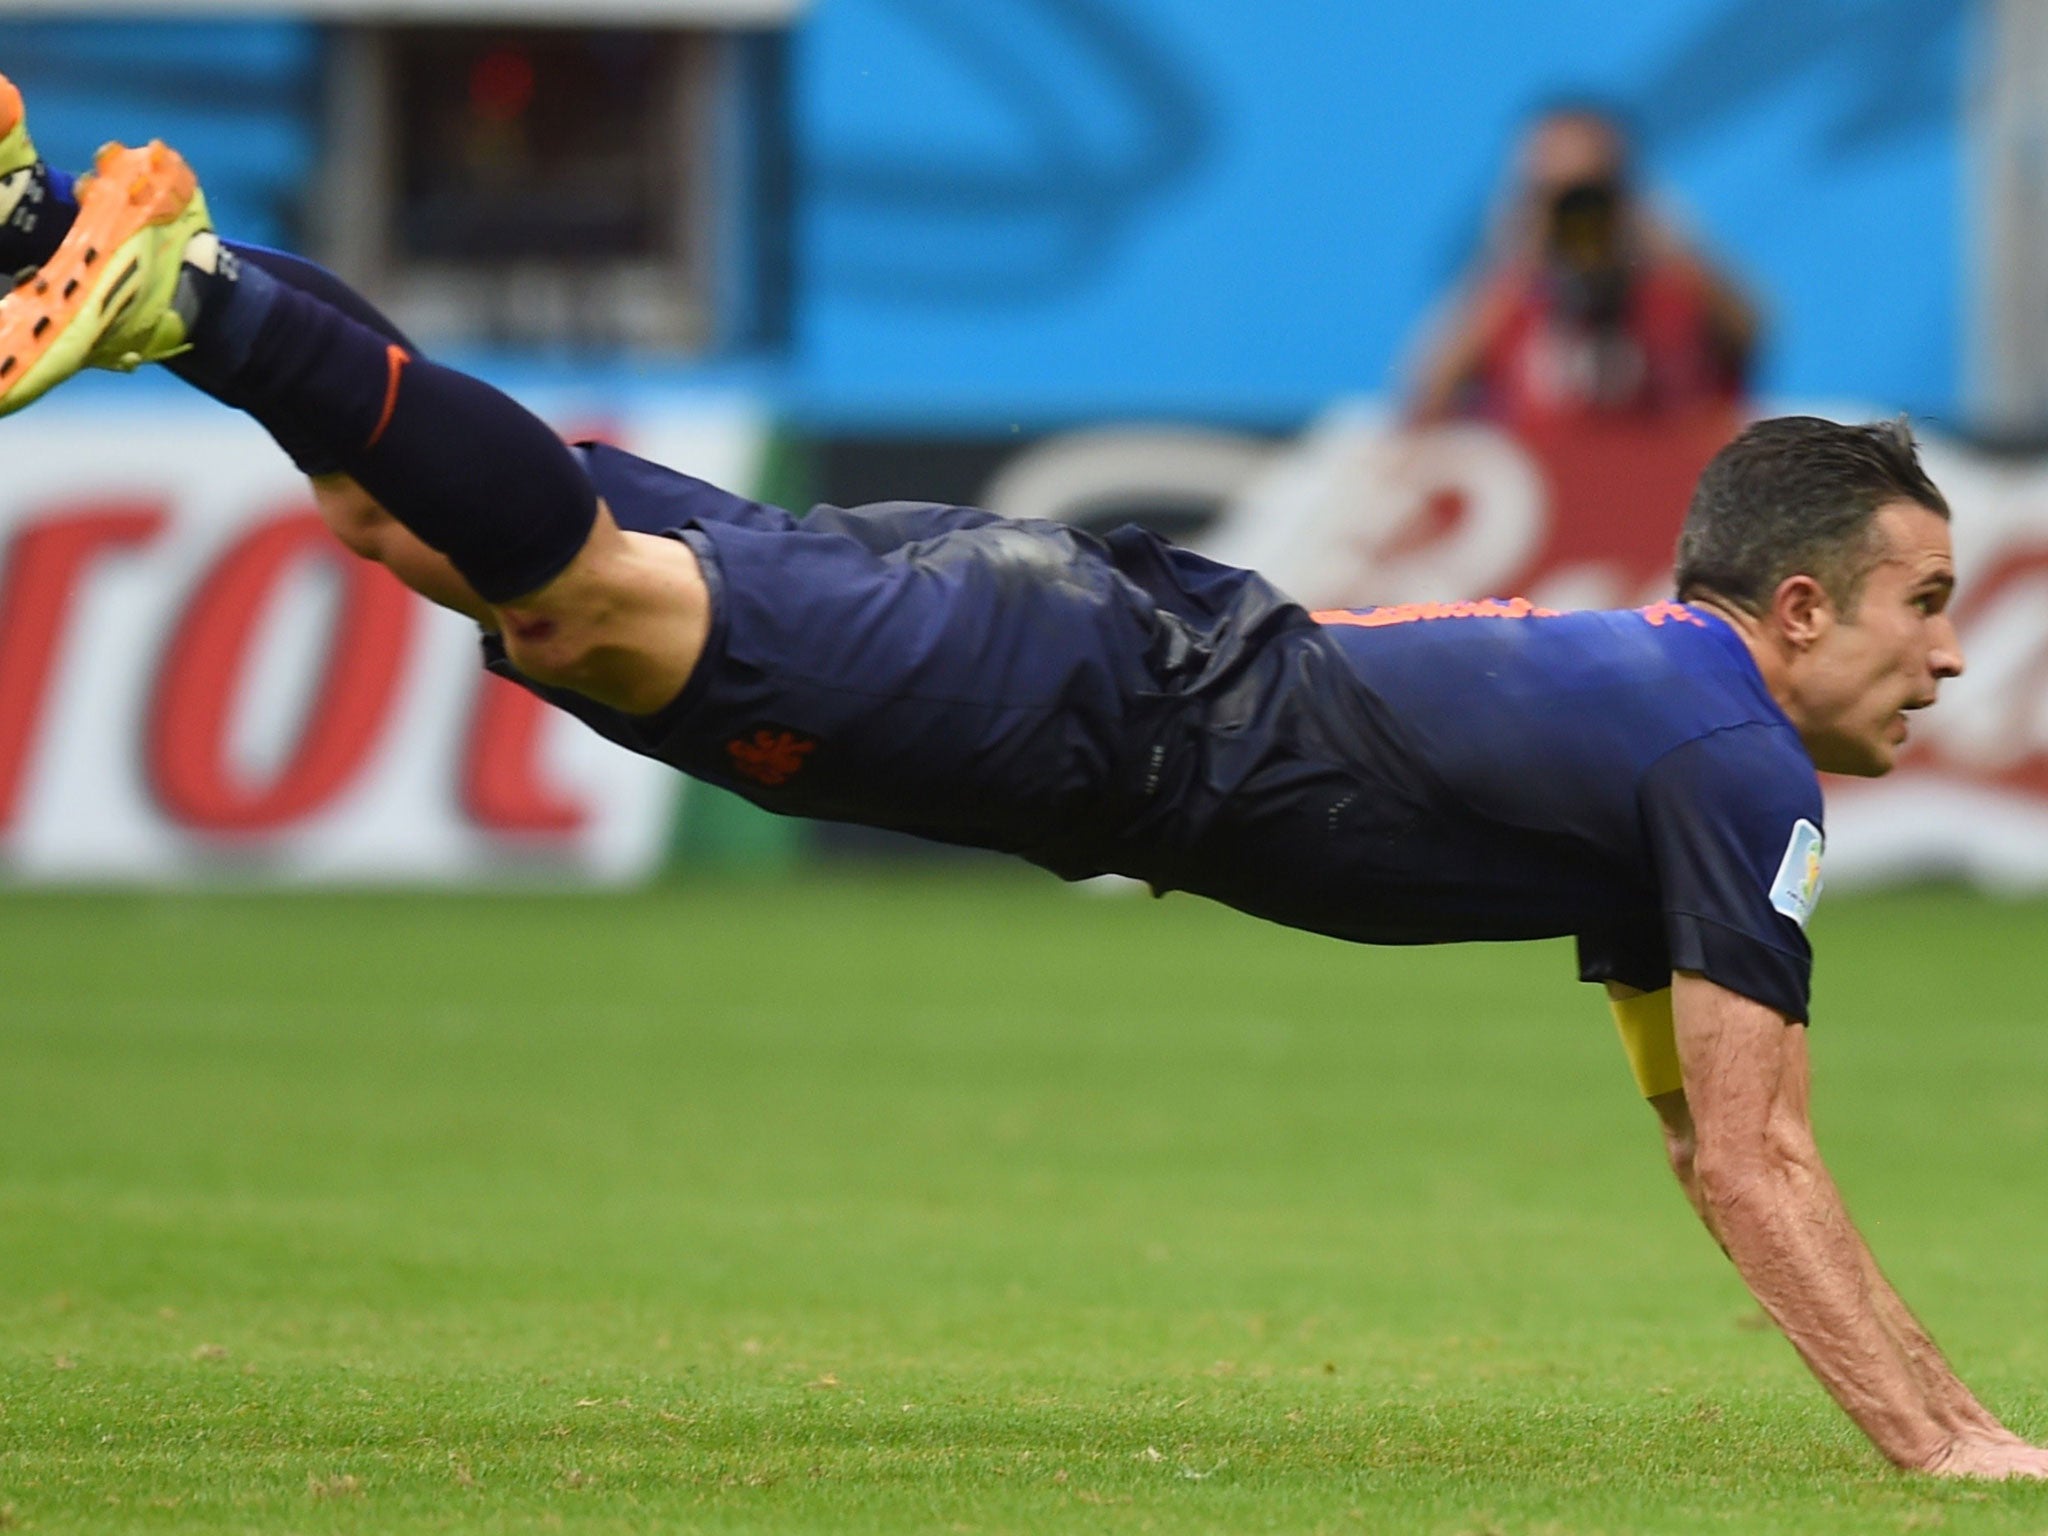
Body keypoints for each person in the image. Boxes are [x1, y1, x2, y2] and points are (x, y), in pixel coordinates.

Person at [0, 94, 2037, 1478]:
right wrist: (1945, 1436)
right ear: (1790, 607)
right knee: (581, 603)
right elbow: (1763, 1159)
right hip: (1079, 706)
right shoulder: (1731, 762)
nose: (1948, 651)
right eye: (1919, 604)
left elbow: (1705, 1139)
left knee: (443, 538)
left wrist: (1895, 1368)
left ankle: (50, 235)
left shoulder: (1665, 741)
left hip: (1079, 646)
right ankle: (197, 292)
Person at [1407, 102, 1759, 428]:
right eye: (1556, 195)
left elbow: (1749, 334)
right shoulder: (1506, 302)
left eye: (1593, 194)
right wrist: (1515, 262)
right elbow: (1424, 396)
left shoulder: (1672, 292)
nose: (1579, 218)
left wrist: (1664, 239)